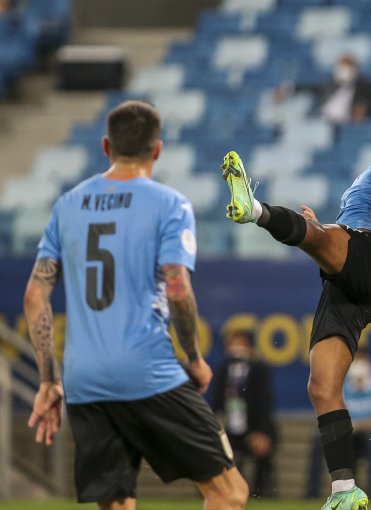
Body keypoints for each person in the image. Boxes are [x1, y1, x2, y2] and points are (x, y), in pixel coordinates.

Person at [23, 100, 249, 510]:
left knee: (116, 503)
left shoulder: (67, 204)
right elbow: (178, 288)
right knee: (229, 493)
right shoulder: (169, 204)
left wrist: (48, 379)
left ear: (106, 146)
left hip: (84, 380)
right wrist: (194, 357)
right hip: (147, 370)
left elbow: (35, 295)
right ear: (157, 150)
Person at [221, 93, 371, 510]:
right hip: (349, 278)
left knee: (315, 235)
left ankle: (255, 211)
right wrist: (327, 230)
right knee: (321, 386)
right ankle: (345, 491)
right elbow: (364, 220)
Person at [307, 347, 371, 500]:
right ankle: (312, 494)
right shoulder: (339, 378)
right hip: (349, 433)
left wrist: (356, 425)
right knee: (319, 436)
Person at [211, 329, 278, 499]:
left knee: (261, 458)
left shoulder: (259, 369)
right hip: (230, 429)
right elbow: (215, 403)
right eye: (233, 343)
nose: (236, 348)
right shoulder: (223, 371)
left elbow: (265, 403)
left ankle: (259, 495)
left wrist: (261, 432)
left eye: (240, 343)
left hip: (254, 428)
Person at [276, 53, 371, 125]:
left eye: (346, 68)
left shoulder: (365, 85)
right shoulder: (331, 84)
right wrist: (289, 88)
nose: (342, 71)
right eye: (340, 68)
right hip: (324, 121)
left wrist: (365, 109)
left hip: (347, 124)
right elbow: (312, 88)